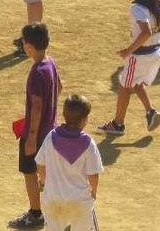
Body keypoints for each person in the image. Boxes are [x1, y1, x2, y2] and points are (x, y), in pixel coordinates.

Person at [98, 0, 160, 136]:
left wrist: (128, 50)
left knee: (124, 87)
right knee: (137, 83)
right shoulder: (158, 2)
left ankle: (118, 124)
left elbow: (146, 32)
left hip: (140, 55)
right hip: (157, 53)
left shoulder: (137, 8)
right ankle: (151, 112)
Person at [8, 23, 61, 229]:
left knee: (30, 172)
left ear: (28, 46)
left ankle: (35, 213)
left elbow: (37, 107)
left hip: (36, 134)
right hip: (50, 130)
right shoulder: (50, 63)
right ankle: (51, 210)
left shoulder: (37, 71)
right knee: (46, 172)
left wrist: (30, 136)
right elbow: (59, 87)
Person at [35, 94, 104, 231]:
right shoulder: (88, 143)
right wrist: (93, 193)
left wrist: (44, 182)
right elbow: (93, 175)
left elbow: (40, 164)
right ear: (84, 120)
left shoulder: (51, 137)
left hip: (53, 200)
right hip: (79, 202)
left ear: (64, 115)